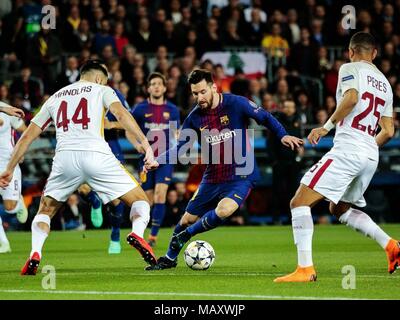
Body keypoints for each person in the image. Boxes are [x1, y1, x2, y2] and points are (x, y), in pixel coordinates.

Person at [0, 60, 159, 275]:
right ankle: (137, 233)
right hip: (97, 155)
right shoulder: (103, 90)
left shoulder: (55, 97)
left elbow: (27, 136)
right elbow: (122, 114)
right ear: (98, 78)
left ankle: (35, 253)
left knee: (45, 209)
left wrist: (9, 168)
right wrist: (146, 145)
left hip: (64, 159)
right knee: (140, 201)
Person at [144, 69, 303, 270]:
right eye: (195, 94)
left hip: (241, 174)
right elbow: (181, 148)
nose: (199, 98)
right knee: (186, 219)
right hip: (212, 177)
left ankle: (188, 235)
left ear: (213, 87)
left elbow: (264, 117)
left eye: (202, 92)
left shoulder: (236, 103)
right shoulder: (194, 118)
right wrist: (158, 160)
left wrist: (282, 135)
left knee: (224, 209)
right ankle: (169, 258)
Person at [274, 32, 398, 283]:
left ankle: (305, 268)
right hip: (369, 154)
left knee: (299, 203)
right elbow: (389, 131)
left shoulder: (349, 68)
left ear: (351, 51)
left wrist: (325, 127)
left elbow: (351, 98)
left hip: (349, 149)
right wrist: (365, 149)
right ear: (374, 53)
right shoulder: (385, 84)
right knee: (339, 208)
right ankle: (391, 245)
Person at [130, 72, 180, 247]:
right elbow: (129, 129)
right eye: (153, 84)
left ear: (165, 88)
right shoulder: (140, 109)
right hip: (145, 159)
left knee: (160, 195)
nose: (157, 86)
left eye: (159, 83)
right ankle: (141, 233)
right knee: (147, 199)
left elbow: (175, 133)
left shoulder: (173, 110)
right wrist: (137, 145)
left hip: (165, 159)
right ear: (148, 88)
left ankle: (153, 236)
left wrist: (178, 146)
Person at [0, 101, 28, 253]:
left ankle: (18, 201)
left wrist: (21, 150)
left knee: (10, 208)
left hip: (8, 163)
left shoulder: (7, 109)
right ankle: (4, 243)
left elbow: (25, 130)